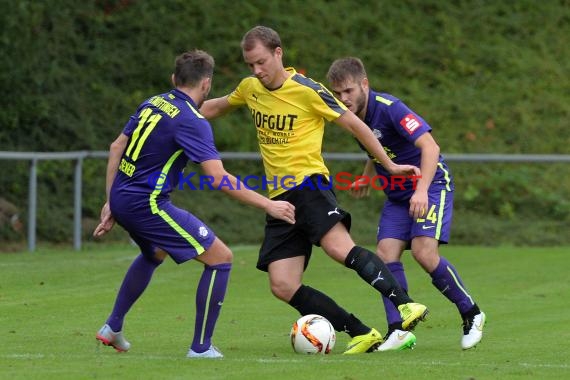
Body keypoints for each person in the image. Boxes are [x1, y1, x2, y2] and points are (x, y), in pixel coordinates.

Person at [199, 25, 429, 354]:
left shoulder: (308, 90)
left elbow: (356, 125)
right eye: (250, 65)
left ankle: (406, 305)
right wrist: (178, 112)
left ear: (278, 53)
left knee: (339, 249)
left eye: (262, 62)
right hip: (278, 199)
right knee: (282, 284)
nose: (257, 70)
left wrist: (388, 166)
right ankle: (362, 332)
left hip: (309, 186)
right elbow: (215, 107)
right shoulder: (250, 88)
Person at [93, 50, 296, 359]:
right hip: (147, 204)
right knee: (221, 258)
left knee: (154, 252)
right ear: (206, 84)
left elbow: (116, 146)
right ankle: (200, 348)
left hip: (123, 196)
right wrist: (268, 205)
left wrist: (111, 201)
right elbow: (217, 177)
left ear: (175, 79)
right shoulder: (192, 120)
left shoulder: (154, 102)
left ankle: (113, 327)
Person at [326, 57, 486, 351]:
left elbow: (430, 147)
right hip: (398, 194)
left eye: (348, 91)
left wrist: (422, 190)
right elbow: (377, 149)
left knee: (425, 253)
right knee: (385, 254)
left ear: (364, 84)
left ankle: (472, 313)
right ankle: (399, 330)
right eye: (337, 94)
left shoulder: (391, 108)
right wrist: (365, 177)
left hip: (432, 184)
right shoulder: (354, 118)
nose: (343, 99)